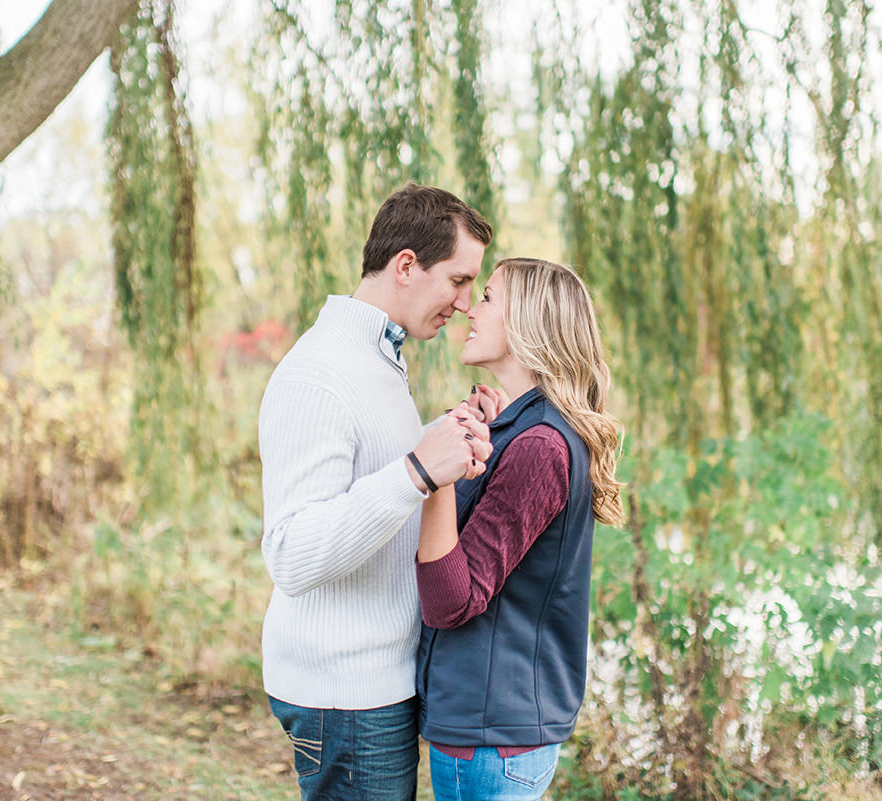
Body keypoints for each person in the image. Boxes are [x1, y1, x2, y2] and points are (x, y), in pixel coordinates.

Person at [258, 183, 495, 801]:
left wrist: (448, 435)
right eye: (459, 280)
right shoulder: (320, 373)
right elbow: (292, 553)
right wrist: (418, 468)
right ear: (408, 266)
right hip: (346, 695)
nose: (468, 304)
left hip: (373, 684)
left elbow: (371, 475)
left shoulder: (375, 358)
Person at [415, 258, 625, 800]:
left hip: (490, 739)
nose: (469, 308)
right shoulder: (528, 429)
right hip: (495, 730)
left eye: (486, 297)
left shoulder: (538, 445)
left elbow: (450, 601)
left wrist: (438, 475)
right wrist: (477, 431)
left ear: (527, 322)